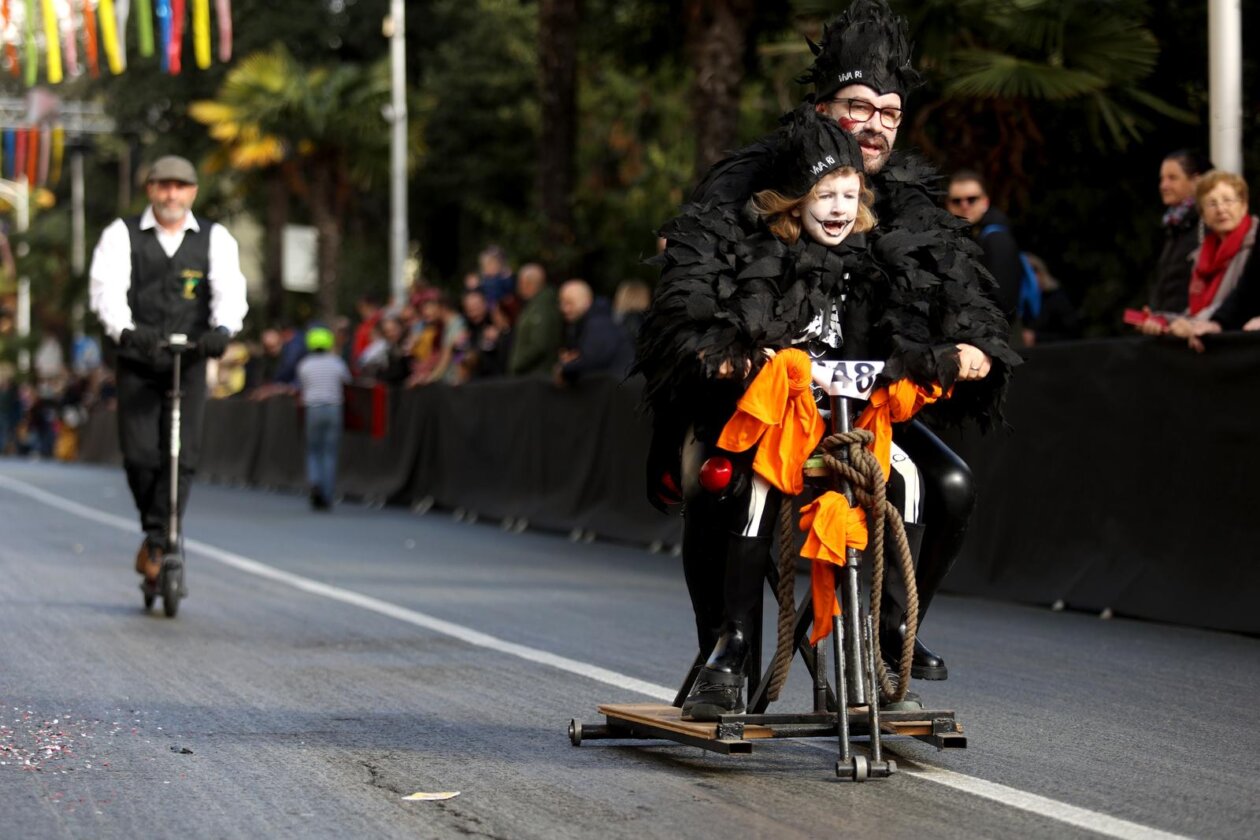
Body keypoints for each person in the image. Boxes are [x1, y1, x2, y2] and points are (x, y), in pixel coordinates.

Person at [657, 0, 1014, 685]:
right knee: (726, 482)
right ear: (823, 107)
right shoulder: (752, 180)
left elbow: (960, 291)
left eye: (890, 114)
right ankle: (726, 651)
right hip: (751, 398)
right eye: (858, 106)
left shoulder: (907, 201)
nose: (874, 127)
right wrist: (721, 347)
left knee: (951, 483)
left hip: (855, 408)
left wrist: (971, 346)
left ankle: (892, 631)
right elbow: (692, 278)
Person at [88, 155, 248, 588]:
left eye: (180, 186)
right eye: (163, 186)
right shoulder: (122, 235)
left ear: (193, 191)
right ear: (150, 190)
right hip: (140, 359)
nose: (171, 194)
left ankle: (161, 540)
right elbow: (107, 291)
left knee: (184, 454)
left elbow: (231, 291)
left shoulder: (216, 238)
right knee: (140, 456)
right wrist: (124, 330)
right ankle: (157, 533)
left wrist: (222, 329)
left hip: (190, 360)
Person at [1140, 170, 1256, 335]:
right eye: (1212, 204)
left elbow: (1239, 303)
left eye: (1228, 201)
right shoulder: (1200, 255)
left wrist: (1194, 325)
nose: (1221, 209)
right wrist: (1162, 320)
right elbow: (1195, 312)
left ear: (1244, 205)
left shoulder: (1254, 245)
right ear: (1203, 215)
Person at [947, 170, 1024, 323]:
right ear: (948, 205)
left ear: (985, 202)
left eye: (972, 199)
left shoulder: (996, 239)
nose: (965, 205)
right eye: (957, 201)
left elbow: (1003, 302)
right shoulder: (965, 237)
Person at [1147, 150, 1212, 315]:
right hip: (1170, 327)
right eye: (1162, 178)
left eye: (1172, 178)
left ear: (1196, 181)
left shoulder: (1208, 225)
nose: (1163, 185)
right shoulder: (1174, 226)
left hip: (1192, 326)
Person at [296, 326, 350, 511]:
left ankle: (315, 482)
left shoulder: (305, 364)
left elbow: (302, 385)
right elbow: (347, 381)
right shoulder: (336, 362)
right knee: (329, 451)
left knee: (313, 450)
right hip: (334, 408)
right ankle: (327, 492)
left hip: (313, 408)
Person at [556, 279, 634, 386]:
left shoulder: (598, 323)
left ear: (586, 302)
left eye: (570, 303)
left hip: (617, 390)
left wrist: (566, 367)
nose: (564, 308)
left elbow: (593, 360)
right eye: (562, 302)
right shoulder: (588, 322)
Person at [506, 263, 562, 377]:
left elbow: (539, 344)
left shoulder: (542, 307)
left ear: (527, 283)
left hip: (536, 376)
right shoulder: (534, 305)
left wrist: (517, 364)